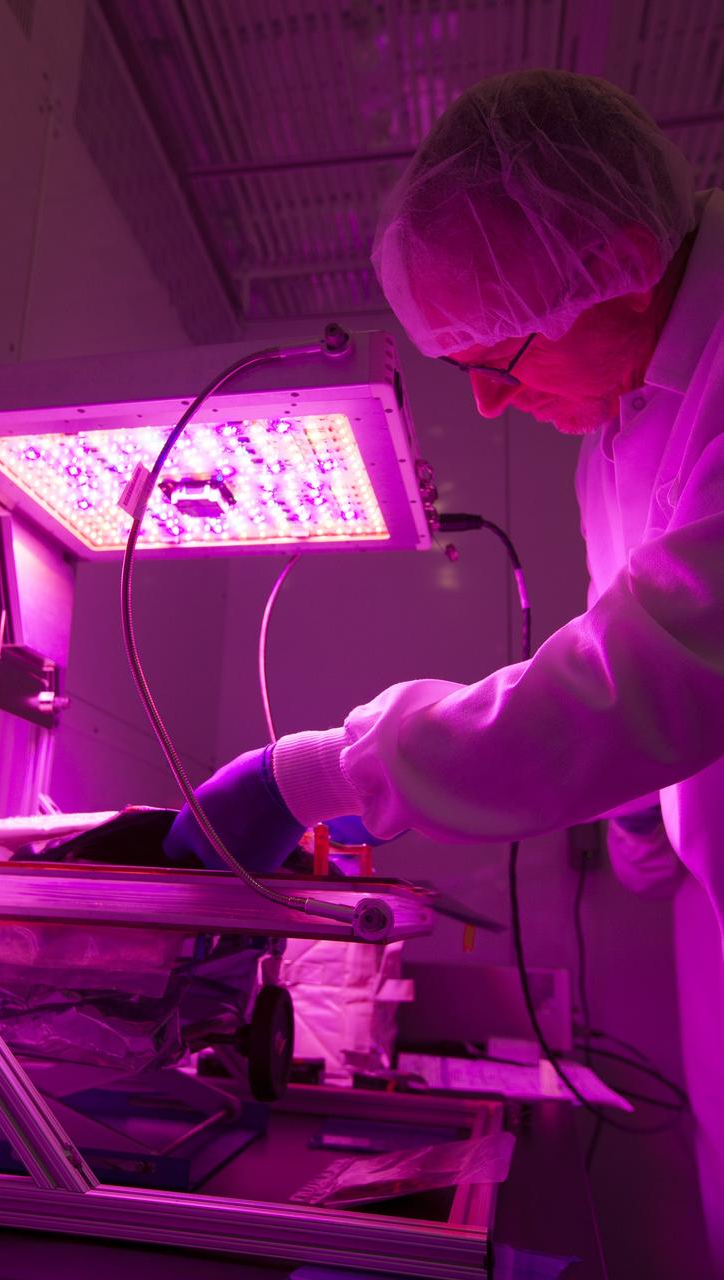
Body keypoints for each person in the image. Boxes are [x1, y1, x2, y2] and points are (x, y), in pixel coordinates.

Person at [164, 70, 724, 1268]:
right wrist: (639, 824)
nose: (486, 396)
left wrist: (309, 770)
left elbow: (657, 667)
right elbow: (637, 664)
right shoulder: (619, 429)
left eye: (503, 352)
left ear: (623, 259)